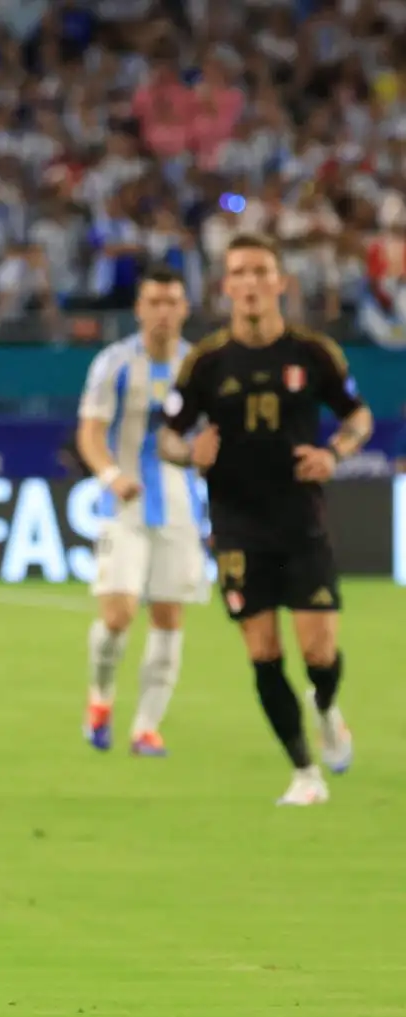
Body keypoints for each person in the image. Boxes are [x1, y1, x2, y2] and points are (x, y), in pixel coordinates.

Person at [160, 233, 371, 807]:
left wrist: (336, 454)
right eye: (239, 273)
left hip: (302, 521)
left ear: (280, 282)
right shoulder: (206, 362)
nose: (250, 283)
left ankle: (326, 708)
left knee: (320, 651)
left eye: (260, 271)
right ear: (226, 287)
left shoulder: (314, 352)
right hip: (236, 525)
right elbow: (168, 438)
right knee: (262, 650)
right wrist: (188, 453)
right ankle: (304, 772)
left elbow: (357, 417)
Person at [73, 267, 198, 755]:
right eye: (155, 302)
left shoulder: (198, 366)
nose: (164, 311)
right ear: (140, 308)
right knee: (120, 613)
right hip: (123, 503)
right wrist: (110, 476)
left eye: (172, 301)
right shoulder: (115, 363)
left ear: (185, 307)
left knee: (168, 617)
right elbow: (90, 432)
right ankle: (100, 699)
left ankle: (146, 727)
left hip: (180, 507)